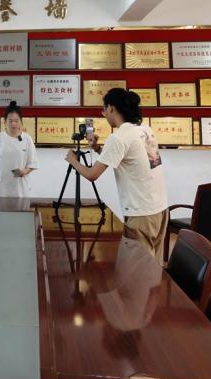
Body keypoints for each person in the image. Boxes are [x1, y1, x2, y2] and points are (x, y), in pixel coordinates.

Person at [64, 88, 168, 260]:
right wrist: (97, 148)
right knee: (153, 267)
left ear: (111, 108)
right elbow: (128, 159)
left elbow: (92, 175)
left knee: (137, 270)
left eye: (104, 109)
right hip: (160, 208)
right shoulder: (144, 130)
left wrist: (73, 161)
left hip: (141, 213)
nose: (104, 114)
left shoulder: (119, 137)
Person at [0, 101, 38, 198]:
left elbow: (32, 164)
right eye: (10, 121)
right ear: (5, 121)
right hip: (1, 190)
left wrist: (24, 172)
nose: (13, 124)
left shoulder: (27, 139)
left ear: (21, 121)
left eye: (16, 121)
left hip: (21, 190)